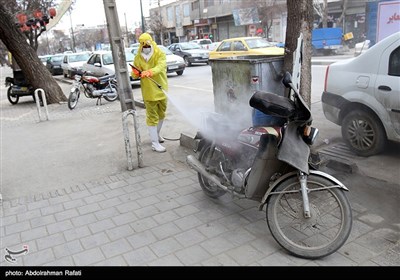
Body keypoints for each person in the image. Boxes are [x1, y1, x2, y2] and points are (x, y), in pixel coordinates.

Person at [131, 33, 168, 153]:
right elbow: (134, 73)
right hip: (148, 92)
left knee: (161, 114)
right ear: (141, 45)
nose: (146, 47)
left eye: (147, 44)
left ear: (151, 42)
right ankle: (154, 143)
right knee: (152, 117)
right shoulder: (138, 58)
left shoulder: (159, 54)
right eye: (143, 45)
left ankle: (156, 134)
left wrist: (150, 72)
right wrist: (135, 73)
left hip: (161, 89)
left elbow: (161, 66)